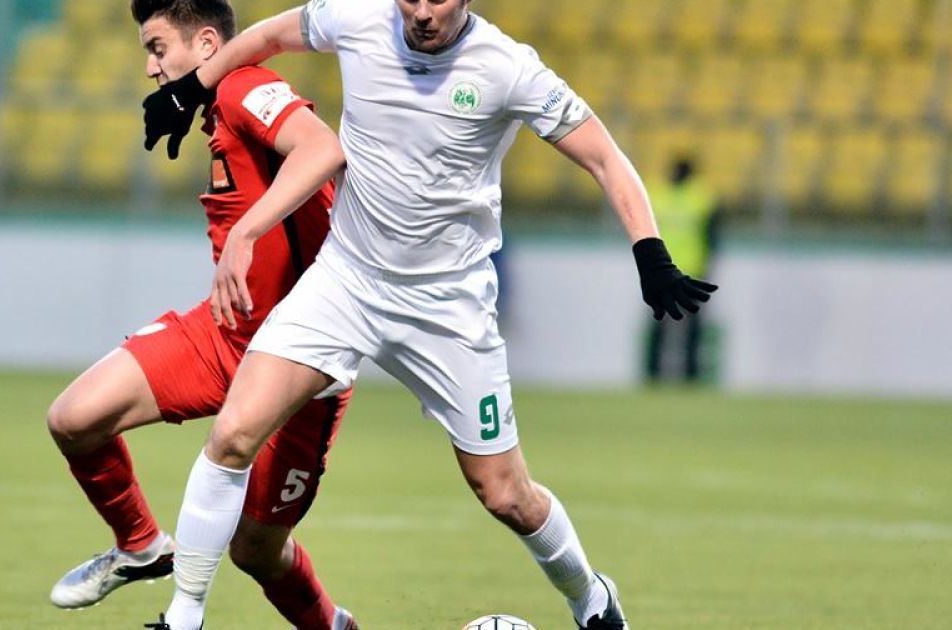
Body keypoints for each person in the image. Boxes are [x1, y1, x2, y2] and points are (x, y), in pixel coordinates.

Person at [141, 0, 717, 628]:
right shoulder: (356, 18)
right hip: (345, 281)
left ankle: (590, 596)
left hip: (447, 306)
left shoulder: (507, 68)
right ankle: (183, 617)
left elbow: (603, 155)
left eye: (435, 0)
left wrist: (650, 251)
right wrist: (193, 87)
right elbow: (268, 36)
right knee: (232, 437)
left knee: (505, 494)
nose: (420, 12)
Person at [44, 1, 357, 628]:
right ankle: (140, 546)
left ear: (208, 44)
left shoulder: (243, 86)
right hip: (225, 335)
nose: (150, 68)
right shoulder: (215, 109)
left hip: (301, 356)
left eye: (158, 48)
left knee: (256, 550)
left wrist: (246, 231)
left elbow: (323, 148)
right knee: (74, 420)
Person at [643, 156, 721, 383]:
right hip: (681, 270)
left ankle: (665, 374)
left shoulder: (663, 194)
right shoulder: (701, 196)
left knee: (678, 326)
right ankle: (675, 374)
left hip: (678, 270)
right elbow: (713, 237)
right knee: (675, 326)